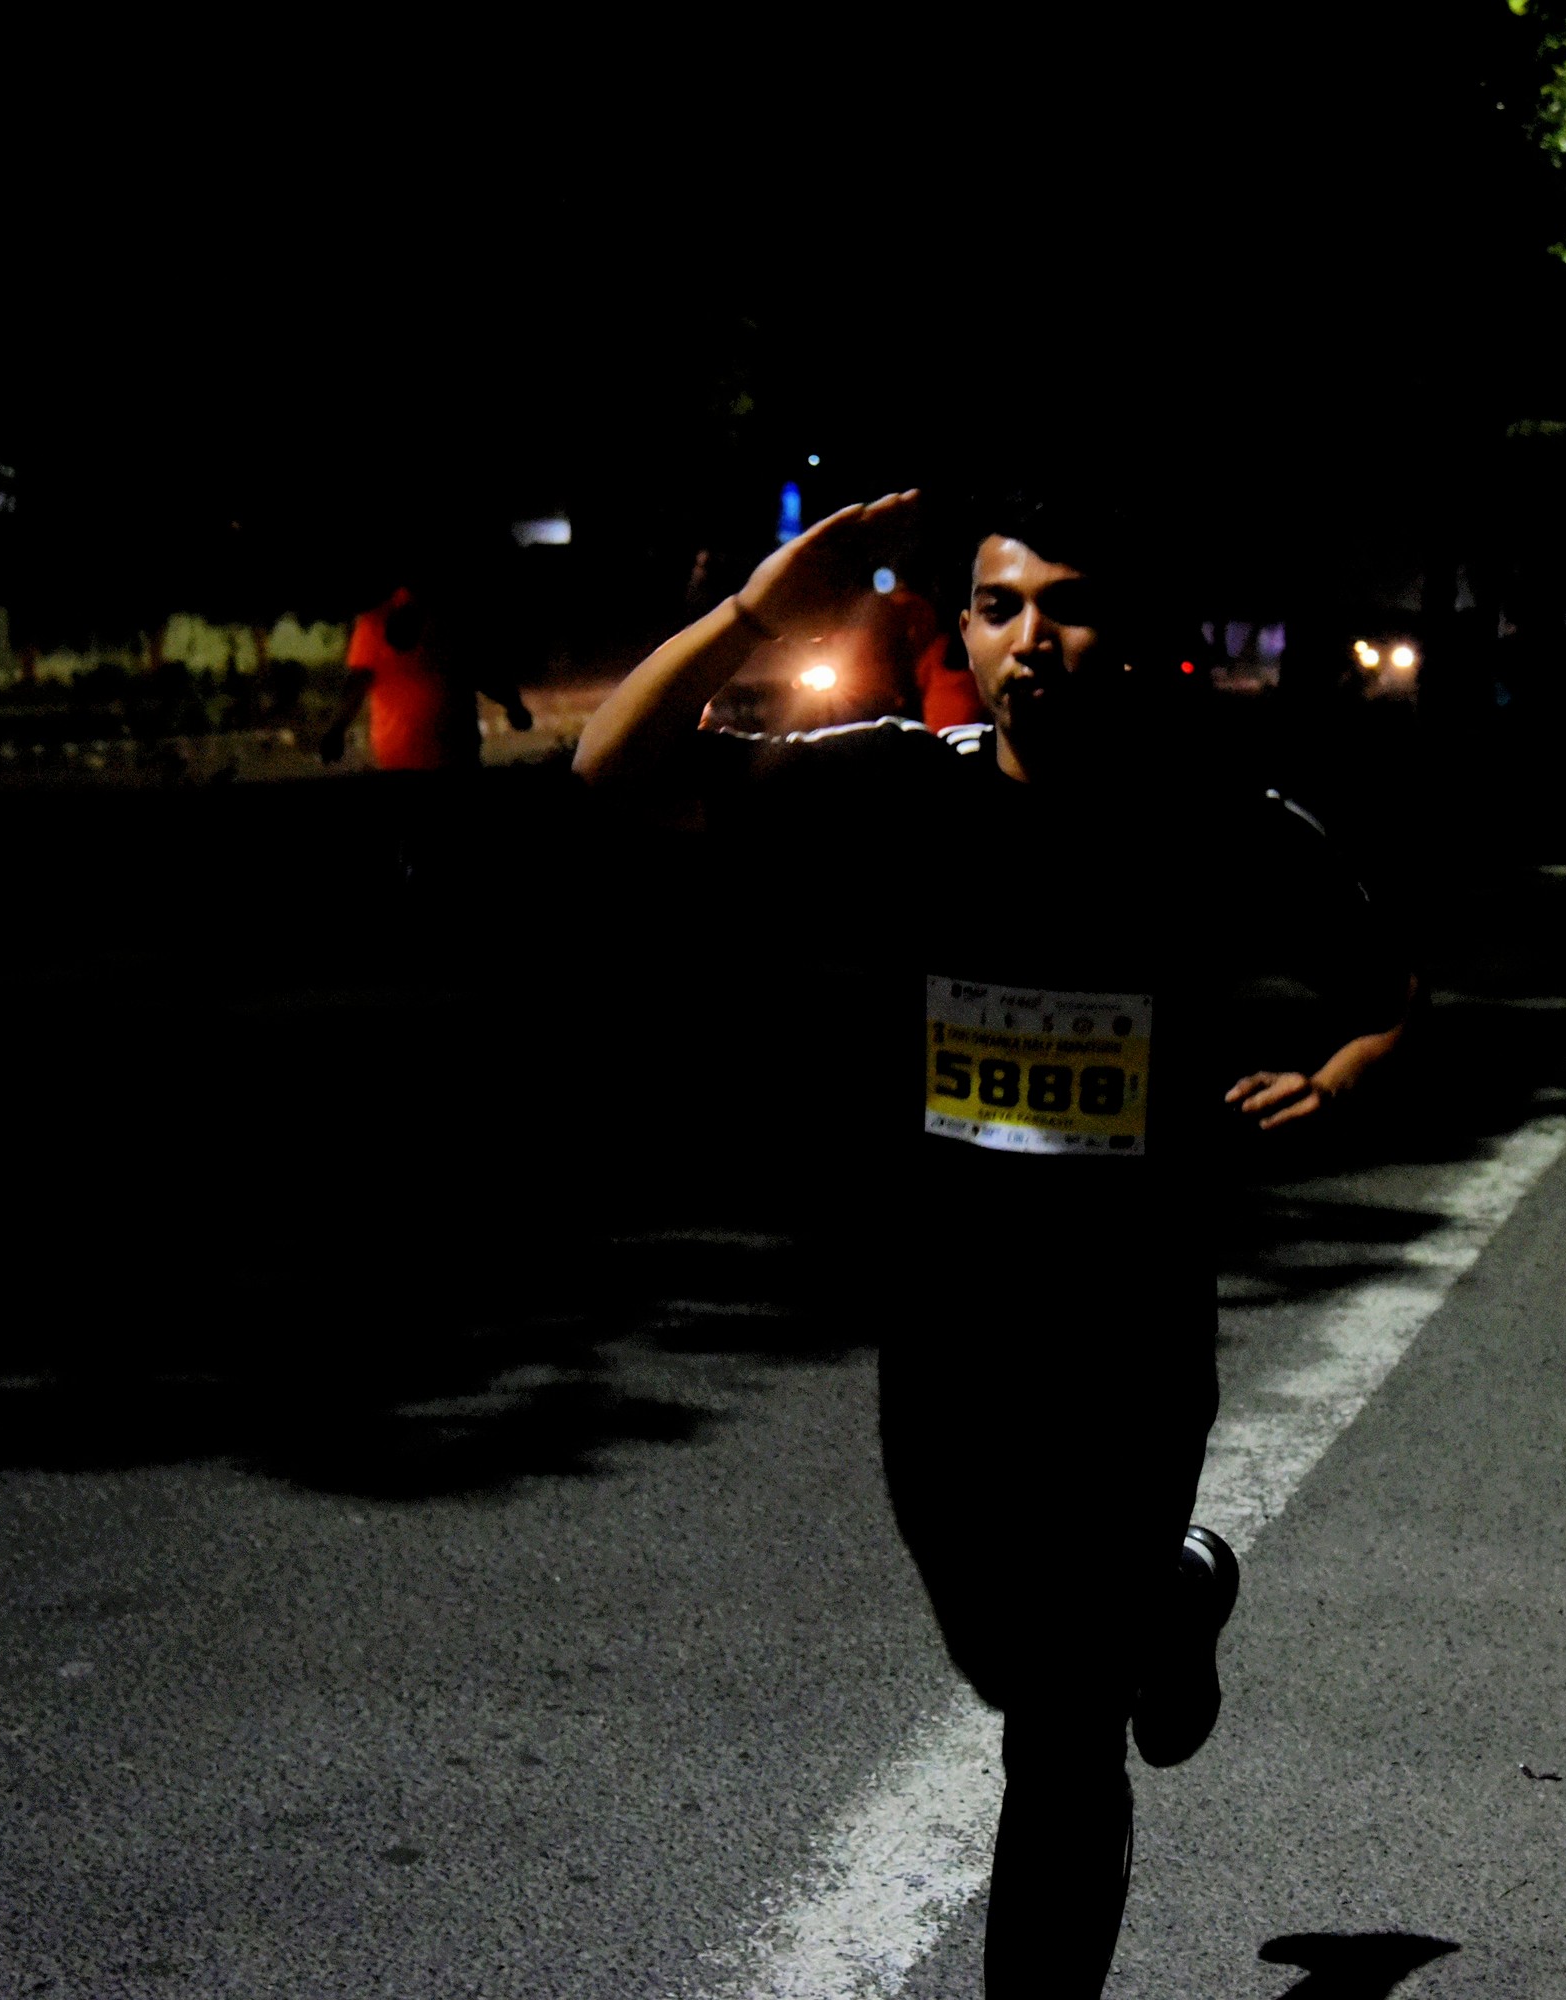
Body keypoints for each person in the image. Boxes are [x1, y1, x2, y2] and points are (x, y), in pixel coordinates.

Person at [574, 487, 1413, 1996]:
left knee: (1061, 1728)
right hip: (948, 1341)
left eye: (1069, 605)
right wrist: (760, 609)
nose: (1033, 638)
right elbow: (611, 769)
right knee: (1002, 1655)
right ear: (962, 630)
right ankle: (1176, 1594)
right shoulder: (903, 789)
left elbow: (1386, 992)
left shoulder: (1217, 821)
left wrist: (1339, 1079)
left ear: (1134, 638)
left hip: (1132, 1340)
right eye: (999, 605)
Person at [316, 584, 533, 771]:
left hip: (415, 753)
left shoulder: (376, 622)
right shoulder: (450, 619)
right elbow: (482, 671)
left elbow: (481, 670)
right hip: (442, 752)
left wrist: (336, 730)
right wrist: (514, 705)